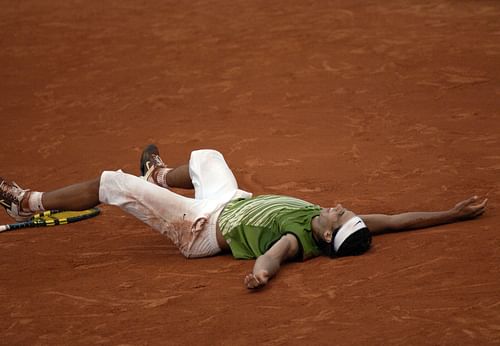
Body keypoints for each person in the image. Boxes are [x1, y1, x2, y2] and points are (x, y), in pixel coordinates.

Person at [0, 145, 488, 289]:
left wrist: (259, 274)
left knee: (112, 183)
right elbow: (399, 220)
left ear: (327, 235)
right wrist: (451, 213)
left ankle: (26, 201)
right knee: (206, 157)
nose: (338, 206)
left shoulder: (300, 241)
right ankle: (159, 177)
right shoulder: (333, 224)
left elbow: (274, 257)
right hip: (231, 201)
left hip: (201, 228)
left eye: (338, 215)